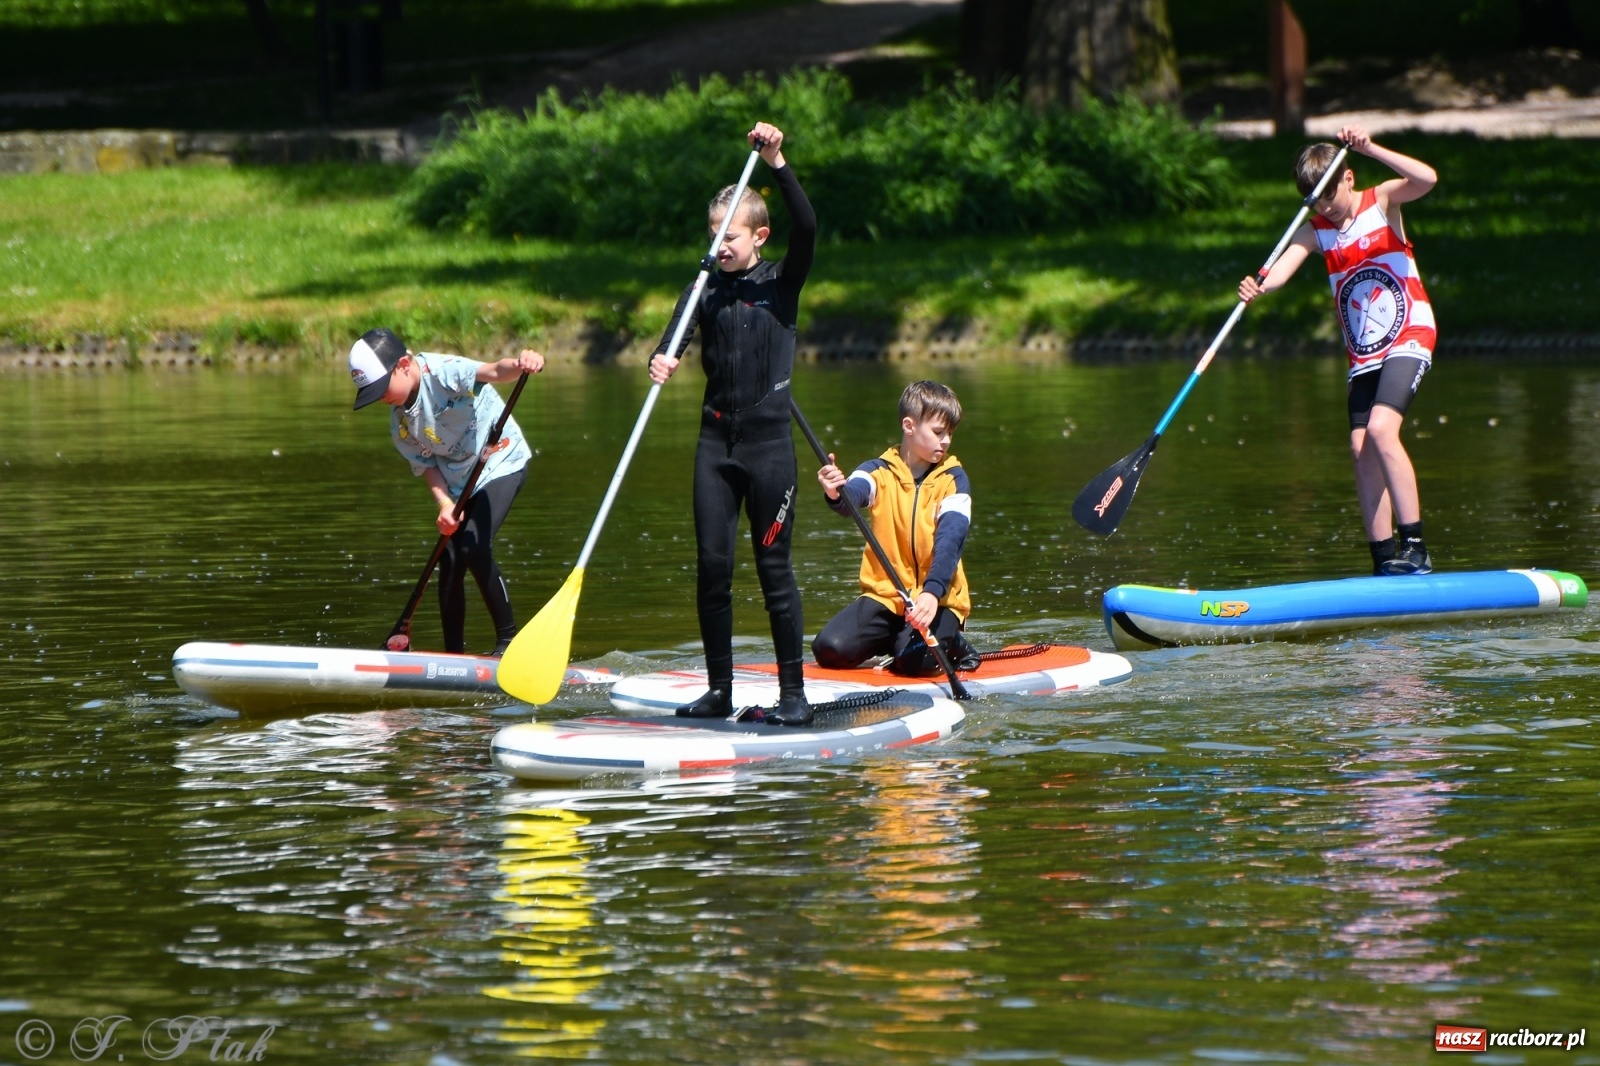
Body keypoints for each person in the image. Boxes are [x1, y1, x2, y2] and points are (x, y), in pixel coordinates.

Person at [648, 121, 816, 725]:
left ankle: (792, 698)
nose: (721, 245)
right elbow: (672, 340)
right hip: (715, 444)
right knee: (712, 567)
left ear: (759, 236)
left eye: (731, 236)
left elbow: (809, 226)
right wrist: (660, 359)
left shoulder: (781, 284)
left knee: (774, 570)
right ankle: (719, 689)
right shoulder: (704, 287)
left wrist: (777, 161)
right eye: (714, 236)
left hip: (770, 449)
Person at [1238, 125, 1438, 576]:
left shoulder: (1382, 200)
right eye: (1315, 198)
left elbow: (1427, 179)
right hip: (1365, 350)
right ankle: (1384, 559)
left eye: (1330, 192)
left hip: (1409, 332)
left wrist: (1371, 148)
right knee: (1359, 445)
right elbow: (1282, 271)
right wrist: (1258, 287)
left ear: (1348, 178)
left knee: (1384, 430)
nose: (1325, 204)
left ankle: (1417, 549)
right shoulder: (1317, 230)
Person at [349, 327, 545, 655]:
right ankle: (454, 656)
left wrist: (522, 362)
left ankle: (509, 643)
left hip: (501, 461)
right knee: (450, 559)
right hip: (459, 484)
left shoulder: (441, 372)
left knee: (473, 545)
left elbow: (494, 370)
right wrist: (444, 504)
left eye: (382, 388)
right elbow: (427, 466)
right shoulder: (400, 422)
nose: (381, 397)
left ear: (404, 365)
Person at [812, 380, 981, 676]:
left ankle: (953, 642)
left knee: (914, 664)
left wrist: (931, 592)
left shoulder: (954, 480)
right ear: (909, 425)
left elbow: (950, 540)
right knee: (829, 649)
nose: (945, 441)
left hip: (937, 599)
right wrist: (835, 492)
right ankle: (898, 638)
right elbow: (852, 496)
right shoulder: (877, 471)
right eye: (938, 432)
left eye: (949, 434)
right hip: (887, 597)